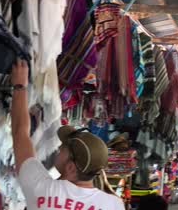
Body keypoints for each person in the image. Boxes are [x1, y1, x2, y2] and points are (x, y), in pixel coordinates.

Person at [10, 60, 125, 210]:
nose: (58, 151)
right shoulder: (114, 205)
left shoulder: (43, 190)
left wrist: (20, 86)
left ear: (71, 168)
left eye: (63, 149)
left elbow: (20, 133)